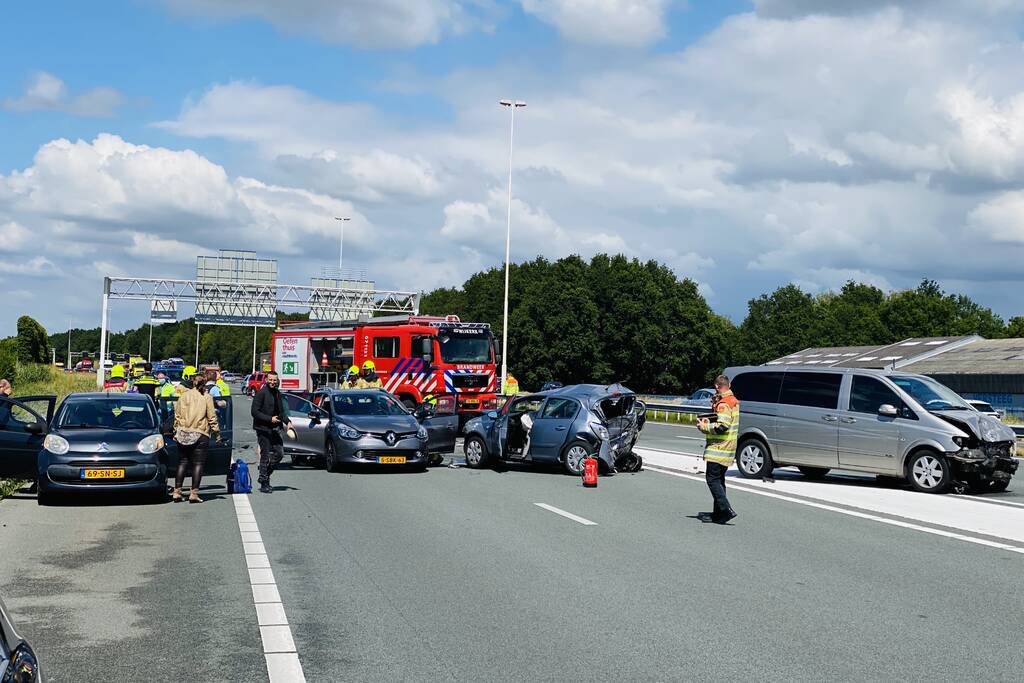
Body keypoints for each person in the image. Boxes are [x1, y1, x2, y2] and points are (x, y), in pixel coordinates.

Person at [696, 375, 740, 524]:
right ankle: (719, 515)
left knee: (712, 479)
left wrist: (704, 427)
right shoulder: (732, 401)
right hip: (728, 447)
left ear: (716, 386)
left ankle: (726, 509)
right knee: (719, 481)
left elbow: (722, 426)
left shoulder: (724, 404)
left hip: (719, 447)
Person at [172, 373, 221, 503]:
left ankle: (177, 491)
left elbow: (177, 415)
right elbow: (211, 417)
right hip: (199, 432)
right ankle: (194, 493)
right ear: (204, 384)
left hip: (183, 432)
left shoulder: (184, 396)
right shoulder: (206, 397)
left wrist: (175, 430)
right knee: (198, 464)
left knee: (182, 462)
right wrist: (217, 432)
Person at [251, 370, 293, 494]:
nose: (273, 382)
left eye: (275, 380)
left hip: (275, 429)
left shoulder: (277, 393)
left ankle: (264, 475)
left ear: (277, 381)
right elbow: (254, 412)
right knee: (265, 455)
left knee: (279, 454)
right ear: (266, 380)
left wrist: (288, 422)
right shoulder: (261, 393)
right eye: (270, 380)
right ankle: (264, 482)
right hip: (263, 429)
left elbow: (281, 412)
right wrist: (270, 419)